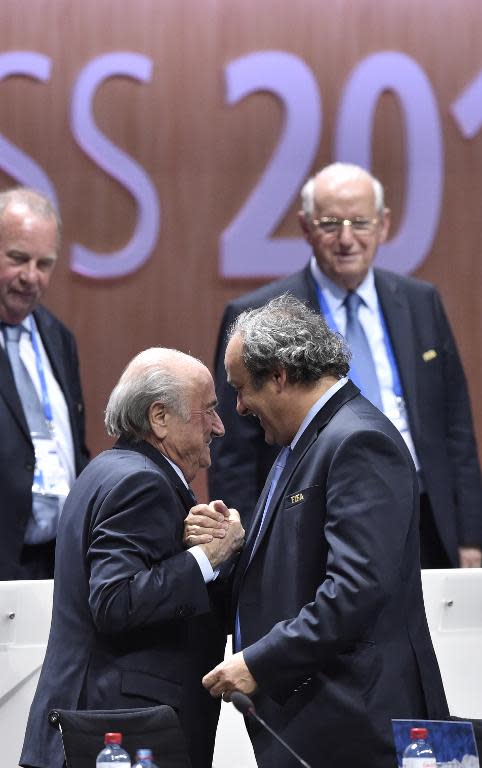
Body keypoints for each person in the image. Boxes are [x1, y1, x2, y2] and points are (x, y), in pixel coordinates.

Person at [197, 295, 448, 768]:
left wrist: (258, 662)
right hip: (320, 716)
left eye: (242, 388)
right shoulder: (307, 442)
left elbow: (354, 590)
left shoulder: (359, 441)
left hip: (358, 720)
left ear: (279, 375)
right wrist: (235, 544)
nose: (239, 407)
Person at [209, 162, 482, 568]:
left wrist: (470, 538)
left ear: (384, 225)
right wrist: (249, 550)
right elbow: (235, 454)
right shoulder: (261, 315)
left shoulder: (421, 302)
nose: (347, 239)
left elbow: (455, 427)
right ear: (305, 227)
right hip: (312, 517)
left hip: (423, 513)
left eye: (361, 222)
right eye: (331, 223)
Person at [20, 347, 245, 768]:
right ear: (159, 417)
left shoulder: (109, 470)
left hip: (96, 726)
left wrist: (186, 548)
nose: (219, 426)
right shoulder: (141, 483)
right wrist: (208, 557)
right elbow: (114, 600)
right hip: (118, 737)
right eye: (208, 411)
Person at [0, 187, 89, 580]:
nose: (30, 277)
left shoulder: (58, 337)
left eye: (44, 263)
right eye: (18, 259)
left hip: (56, 561)